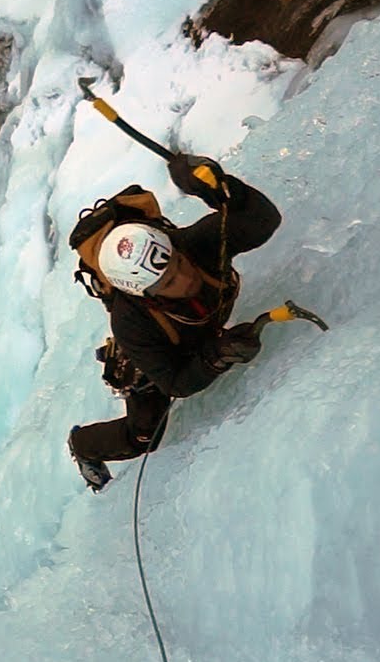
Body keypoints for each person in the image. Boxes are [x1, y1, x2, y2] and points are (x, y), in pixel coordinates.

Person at [67, 153, 284, 492]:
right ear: (145, 295)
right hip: (160, 355)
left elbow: (262, 220)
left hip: (194, 328)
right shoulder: (131, 323)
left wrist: (222, 190)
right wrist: (217, 355)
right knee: (144, 437)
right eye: (168, 282)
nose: (185, 278)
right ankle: (83, 446)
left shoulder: (193, 246)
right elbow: (174, 383)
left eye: (178, 264)